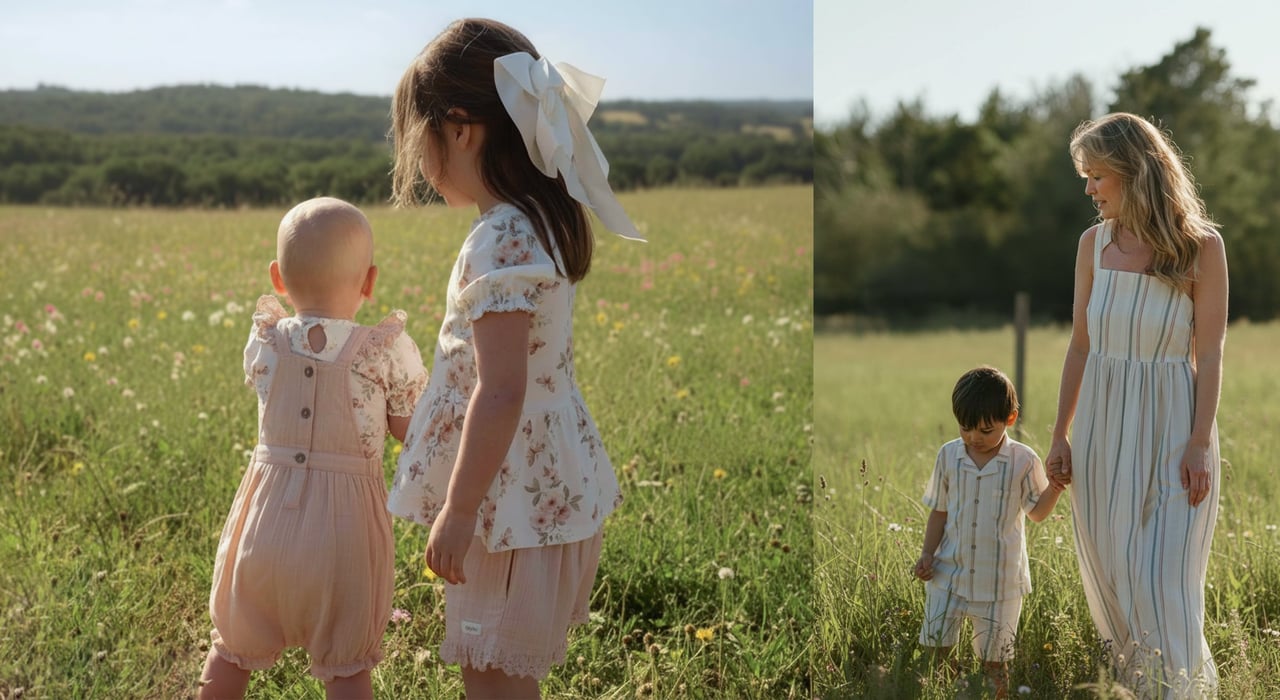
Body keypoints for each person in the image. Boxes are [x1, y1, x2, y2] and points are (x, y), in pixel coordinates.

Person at [382, 18, 645, 700]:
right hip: (538, 480)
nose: (417, 160)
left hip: (505, 501)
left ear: (460, 130)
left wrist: (459, 509)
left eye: (419, 137)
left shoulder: (498, 239)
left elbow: (500, 391)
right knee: (504, 674)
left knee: (491, 675)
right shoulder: (539, 217)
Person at [198, 197, 428, 700]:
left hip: (264, 528)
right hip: (344, 537)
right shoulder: (384, 349)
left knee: (232, 648)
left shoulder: (266, 341)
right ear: (369, 282)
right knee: (346, 665)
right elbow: (408, 429)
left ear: (278, 279)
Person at [1046, 112, 1227, 698]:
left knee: (1164, 576)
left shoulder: (1201, 247)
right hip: (1102, 428)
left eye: (1097, 176)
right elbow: (1080, 345)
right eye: (1086, 177)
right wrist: (1059, 434)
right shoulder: (1092, 245)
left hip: (1176, 428)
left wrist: (1198, 444)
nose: (1089, 189)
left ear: (1134, 171)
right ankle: (1141, 685)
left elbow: (1210, 354)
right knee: (1118, 570)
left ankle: (1182, 691)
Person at [914, 365, 1063, 698]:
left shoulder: (1023, 460)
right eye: (965, 428)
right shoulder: (949, 455)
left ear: (1010, 418)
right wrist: (927, 554)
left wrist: (1054, 488)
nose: (973, 438)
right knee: (937, 652)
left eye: (985, 430)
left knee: (994, 663)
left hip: (1000, 583)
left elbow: (1037, 513)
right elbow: (939, 511)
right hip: (948, 575)